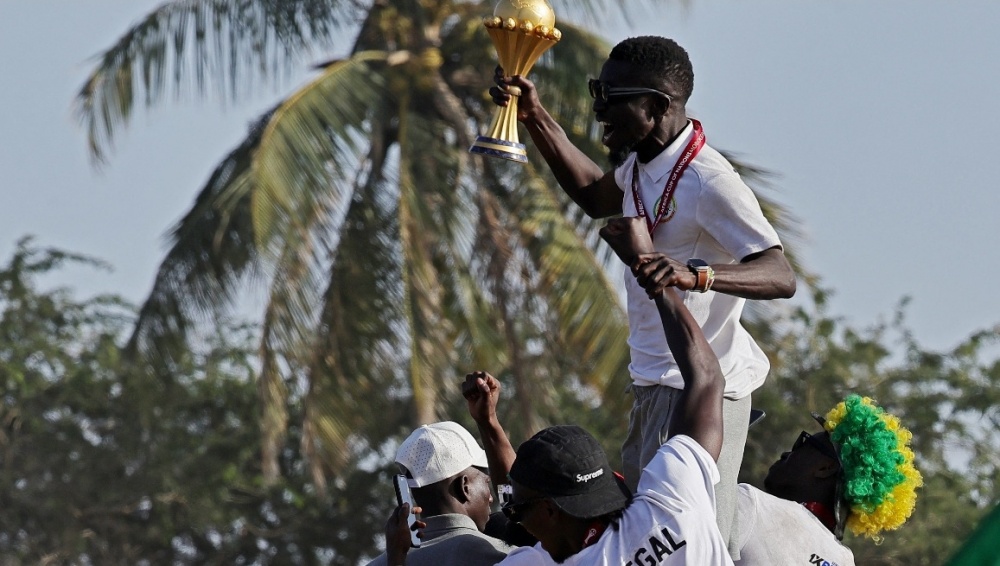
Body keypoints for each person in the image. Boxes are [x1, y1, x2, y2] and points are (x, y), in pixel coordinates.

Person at [490, 35, 796, 556]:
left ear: (655, 107)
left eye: (611, 98)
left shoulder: (708, 180)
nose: (598, 109)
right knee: (639, 539)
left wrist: (693, 276)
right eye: (597, 92)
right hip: (653, 382)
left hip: (704, 391)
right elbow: (594, 195)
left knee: (692, 541)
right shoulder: (643, 165)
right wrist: (534, 116)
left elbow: (779, 274)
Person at [389, 217, 734, 565]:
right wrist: (653, 273)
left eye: (517, 510)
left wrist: (397, 556)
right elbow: (707, 378)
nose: (511, 518)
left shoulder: (537, 563)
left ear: (550, 511)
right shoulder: (673, 497)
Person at [734, 395, 922, 565]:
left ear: (825, 468)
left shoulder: (752, 506)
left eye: (803, 443)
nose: (786, 453)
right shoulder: (843, 560)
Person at [370, 421, 513, 566]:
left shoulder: (386, 561)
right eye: (487, 482)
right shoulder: (506, 557)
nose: (491, 498)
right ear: (464, 487)